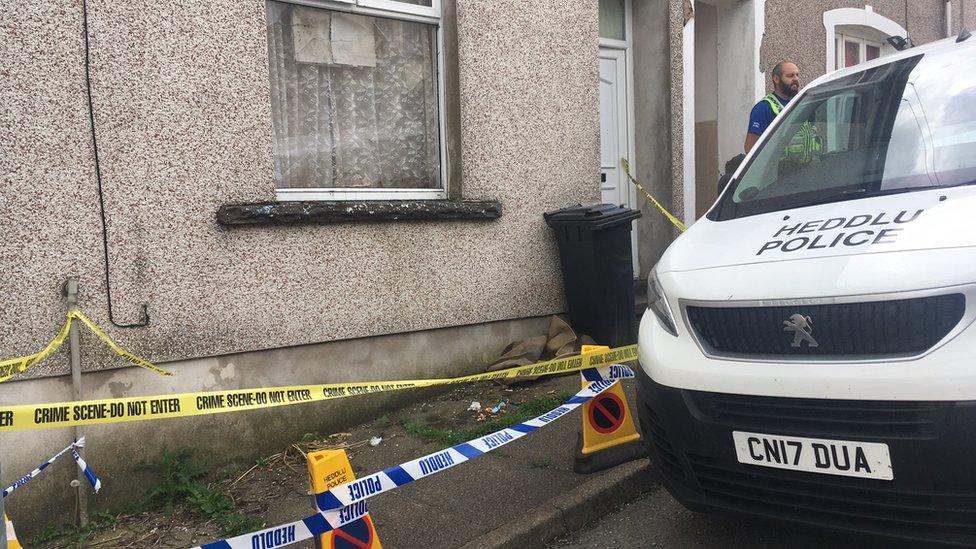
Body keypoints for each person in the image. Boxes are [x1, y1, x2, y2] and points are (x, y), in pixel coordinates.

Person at [744, 60, 801, 153]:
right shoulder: (763, 108)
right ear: (776, 79)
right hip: (780, 166)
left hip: (810, 165)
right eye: (790, 76)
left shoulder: (803, 102)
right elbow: (751, 149)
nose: (796, 79)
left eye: (797, 75)